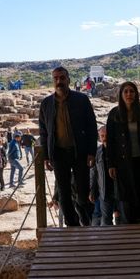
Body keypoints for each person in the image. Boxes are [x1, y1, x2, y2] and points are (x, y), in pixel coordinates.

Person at [39, 66, 97, 227]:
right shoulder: (46, 104)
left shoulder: (81, 100)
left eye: (62, 78)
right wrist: (45, 156)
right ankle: (73, 227)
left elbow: (92, 126)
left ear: (69, 80)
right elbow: (44, 132)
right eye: (56, 78)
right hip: (59, 154)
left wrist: (92, 152)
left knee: (83, 193)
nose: (59, 81)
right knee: (63, 194)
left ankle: (88, 223)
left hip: (80, 152)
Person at [106, 81, 140, 224]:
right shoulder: (114, 114)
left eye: (132, 91)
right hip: (123, 163)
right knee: (126, 197)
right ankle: (129, 226)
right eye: (126, 91)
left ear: (136, 94)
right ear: (121, 95)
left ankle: (139, 224)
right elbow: (110, 142)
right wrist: (111, 164)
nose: (129, 94)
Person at [89, 126, 116, 226]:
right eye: (102, 136)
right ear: (99, 137)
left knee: (122, 220)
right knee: (106, 222)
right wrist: (92, 191)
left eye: (106, 135)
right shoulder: (97, 152)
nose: (104, 138)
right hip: (104, 192)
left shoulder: (119, 150)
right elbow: (94, 173)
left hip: (120, 191)